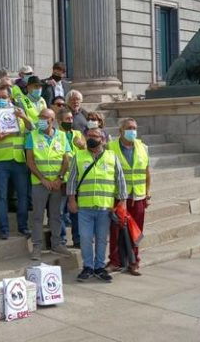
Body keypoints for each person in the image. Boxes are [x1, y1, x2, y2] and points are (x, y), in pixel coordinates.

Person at [66, 128, 127, 282]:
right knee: (85, 238)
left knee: (101, 238)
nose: (91, 138)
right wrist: (71, 200)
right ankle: (88, 266)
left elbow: (120, 179)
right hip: (84, 207)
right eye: (89, 135)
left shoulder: (112, 156)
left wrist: (122, 201)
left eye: (95, 136)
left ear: (103, 139)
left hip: (104, 207)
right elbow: (72, 180)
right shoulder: (78, 156)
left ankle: (99, 267)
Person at [0, 87, 32, 239]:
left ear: (10, 98)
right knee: (1, 196)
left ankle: (23, 227)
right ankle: (4, 230)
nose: (1, 99)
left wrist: (24, 117)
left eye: (4, 96)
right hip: (0, 160)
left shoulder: (19, 111)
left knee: (23, 196)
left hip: (19, 159)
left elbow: (32, 130)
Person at [26, 108, 72, 261]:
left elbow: (66, 159)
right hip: (39, 183)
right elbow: (30, 161)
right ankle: (37, 246)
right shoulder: (32, 136)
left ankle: (57, 244)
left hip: (57, 183)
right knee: (38, 216)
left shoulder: (62, 136)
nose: (41, 119)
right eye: (40, 117)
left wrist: (59, 178)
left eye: (44, 117)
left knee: (56, 215)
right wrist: (43, 179)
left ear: (52, 120)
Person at [107, 118, 151, 276]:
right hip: (118, 197)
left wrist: (147, 192)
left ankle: (134, 261)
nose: (132, 131)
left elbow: (147, 172)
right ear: (121, 130)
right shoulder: (110, 147)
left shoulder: (143, 147)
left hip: (138, 196)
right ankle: (115, 261)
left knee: (136, 231)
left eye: (134, 128)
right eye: (129, 128)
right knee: (116, 230)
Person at [57, 106, 84, 248]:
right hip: (62, 179)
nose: (70, 121)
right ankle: (61, 239)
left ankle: (78, 239)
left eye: (71, 118)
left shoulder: (77, 134)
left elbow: (87, 153)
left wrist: (82, 146)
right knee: (59, 211)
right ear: (59, 121)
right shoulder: (56, 135)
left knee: (76, 211)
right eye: (67, 119)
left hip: (76, 179)